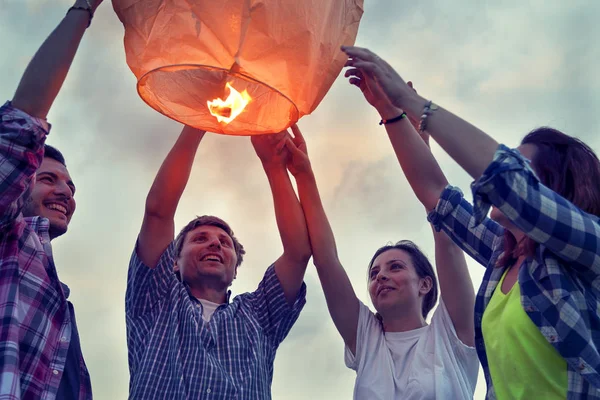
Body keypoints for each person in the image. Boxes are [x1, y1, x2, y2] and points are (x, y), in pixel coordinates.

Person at [341, 45, 600, 399]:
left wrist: (411, 100)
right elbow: (436, 195)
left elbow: (508, 183)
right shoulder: (502, 256)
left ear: (553, 187)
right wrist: (391, 112)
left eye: (520, 166)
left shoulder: (587, 251)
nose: (497, 169)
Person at [281, 120, 479, 399]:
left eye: (394, 267)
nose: (380, 277)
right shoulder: (366, 338)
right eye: (374, 274)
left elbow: (447, 240)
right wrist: (303, 173)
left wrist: (418, 146)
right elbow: (326, 261)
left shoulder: (451, 335)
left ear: (425, 284)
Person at [126, 126, 311, 399]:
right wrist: (196, 122)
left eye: (225, 243)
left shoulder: (259, 314)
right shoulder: (157, 297)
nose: (214, 244)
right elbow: (158, 212)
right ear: (173, 263)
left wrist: (274, 166)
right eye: (200, 239)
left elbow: (298, 253)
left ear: (236, 270)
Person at [0, 1, 102, 398]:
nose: (65, 192)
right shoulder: (9, 238)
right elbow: (21, 126)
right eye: (48, 179)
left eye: (71, 186)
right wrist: (84, 9)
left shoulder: (62, 306)